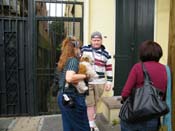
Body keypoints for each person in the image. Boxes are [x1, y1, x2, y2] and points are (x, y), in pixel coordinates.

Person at [120, 40, 167, 131]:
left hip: (133, 116)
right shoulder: (165, 70)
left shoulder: (138, 67)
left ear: (142, 53)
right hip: (152, 116)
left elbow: (125, 93)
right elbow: (164, 95)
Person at [81, 31, 113, 131]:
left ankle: (91, 121)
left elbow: (109, 68)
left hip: (100, 82)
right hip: (88, 81)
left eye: (98, 40)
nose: (96, 42)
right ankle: (91, 126)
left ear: (101, 40)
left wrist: (109, 82)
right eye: (94, 40)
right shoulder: (84, 49)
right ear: (91, 40)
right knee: (89, 103)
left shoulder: (106, 53)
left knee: (95, 103)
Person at [57, 36, 90, 131]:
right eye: (79, 48)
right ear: (75, 48)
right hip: (72, 97)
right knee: (83, 127)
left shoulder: (64, 60)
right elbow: (69, 78)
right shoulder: (73, 60)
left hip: (63, 97)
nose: (80, 50)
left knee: (69, 127)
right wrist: (85, 76)